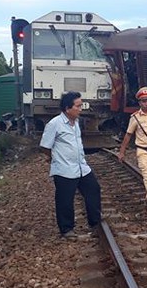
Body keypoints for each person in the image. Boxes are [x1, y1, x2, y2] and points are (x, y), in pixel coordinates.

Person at [39, 91, 102, 240]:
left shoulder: (76, 122)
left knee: (93, 189)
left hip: (81, 167)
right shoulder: (54, 124)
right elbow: (44, 146)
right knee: (65, 200)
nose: (81, 109)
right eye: (78, 106)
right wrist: (54, 159)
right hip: (64, 169)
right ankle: (67, 229)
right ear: (68, 108)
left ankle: (95, 223)